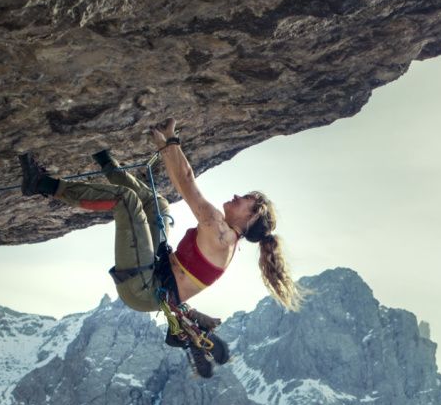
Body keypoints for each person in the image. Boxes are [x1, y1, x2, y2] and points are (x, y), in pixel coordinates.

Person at [17, 117, 301, 376]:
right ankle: (103, 158)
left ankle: (41, 183)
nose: (238, 196)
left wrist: (170, 141)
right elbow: (181, 182)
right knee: (159, 204)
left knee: (126, 200)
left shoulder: (220, 231)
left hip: (143, 288)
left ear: (250, 217)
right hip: (155, 275)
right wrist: (167, 146)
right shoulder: (226, 241)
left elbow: (187, 182)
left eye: (246, 200)